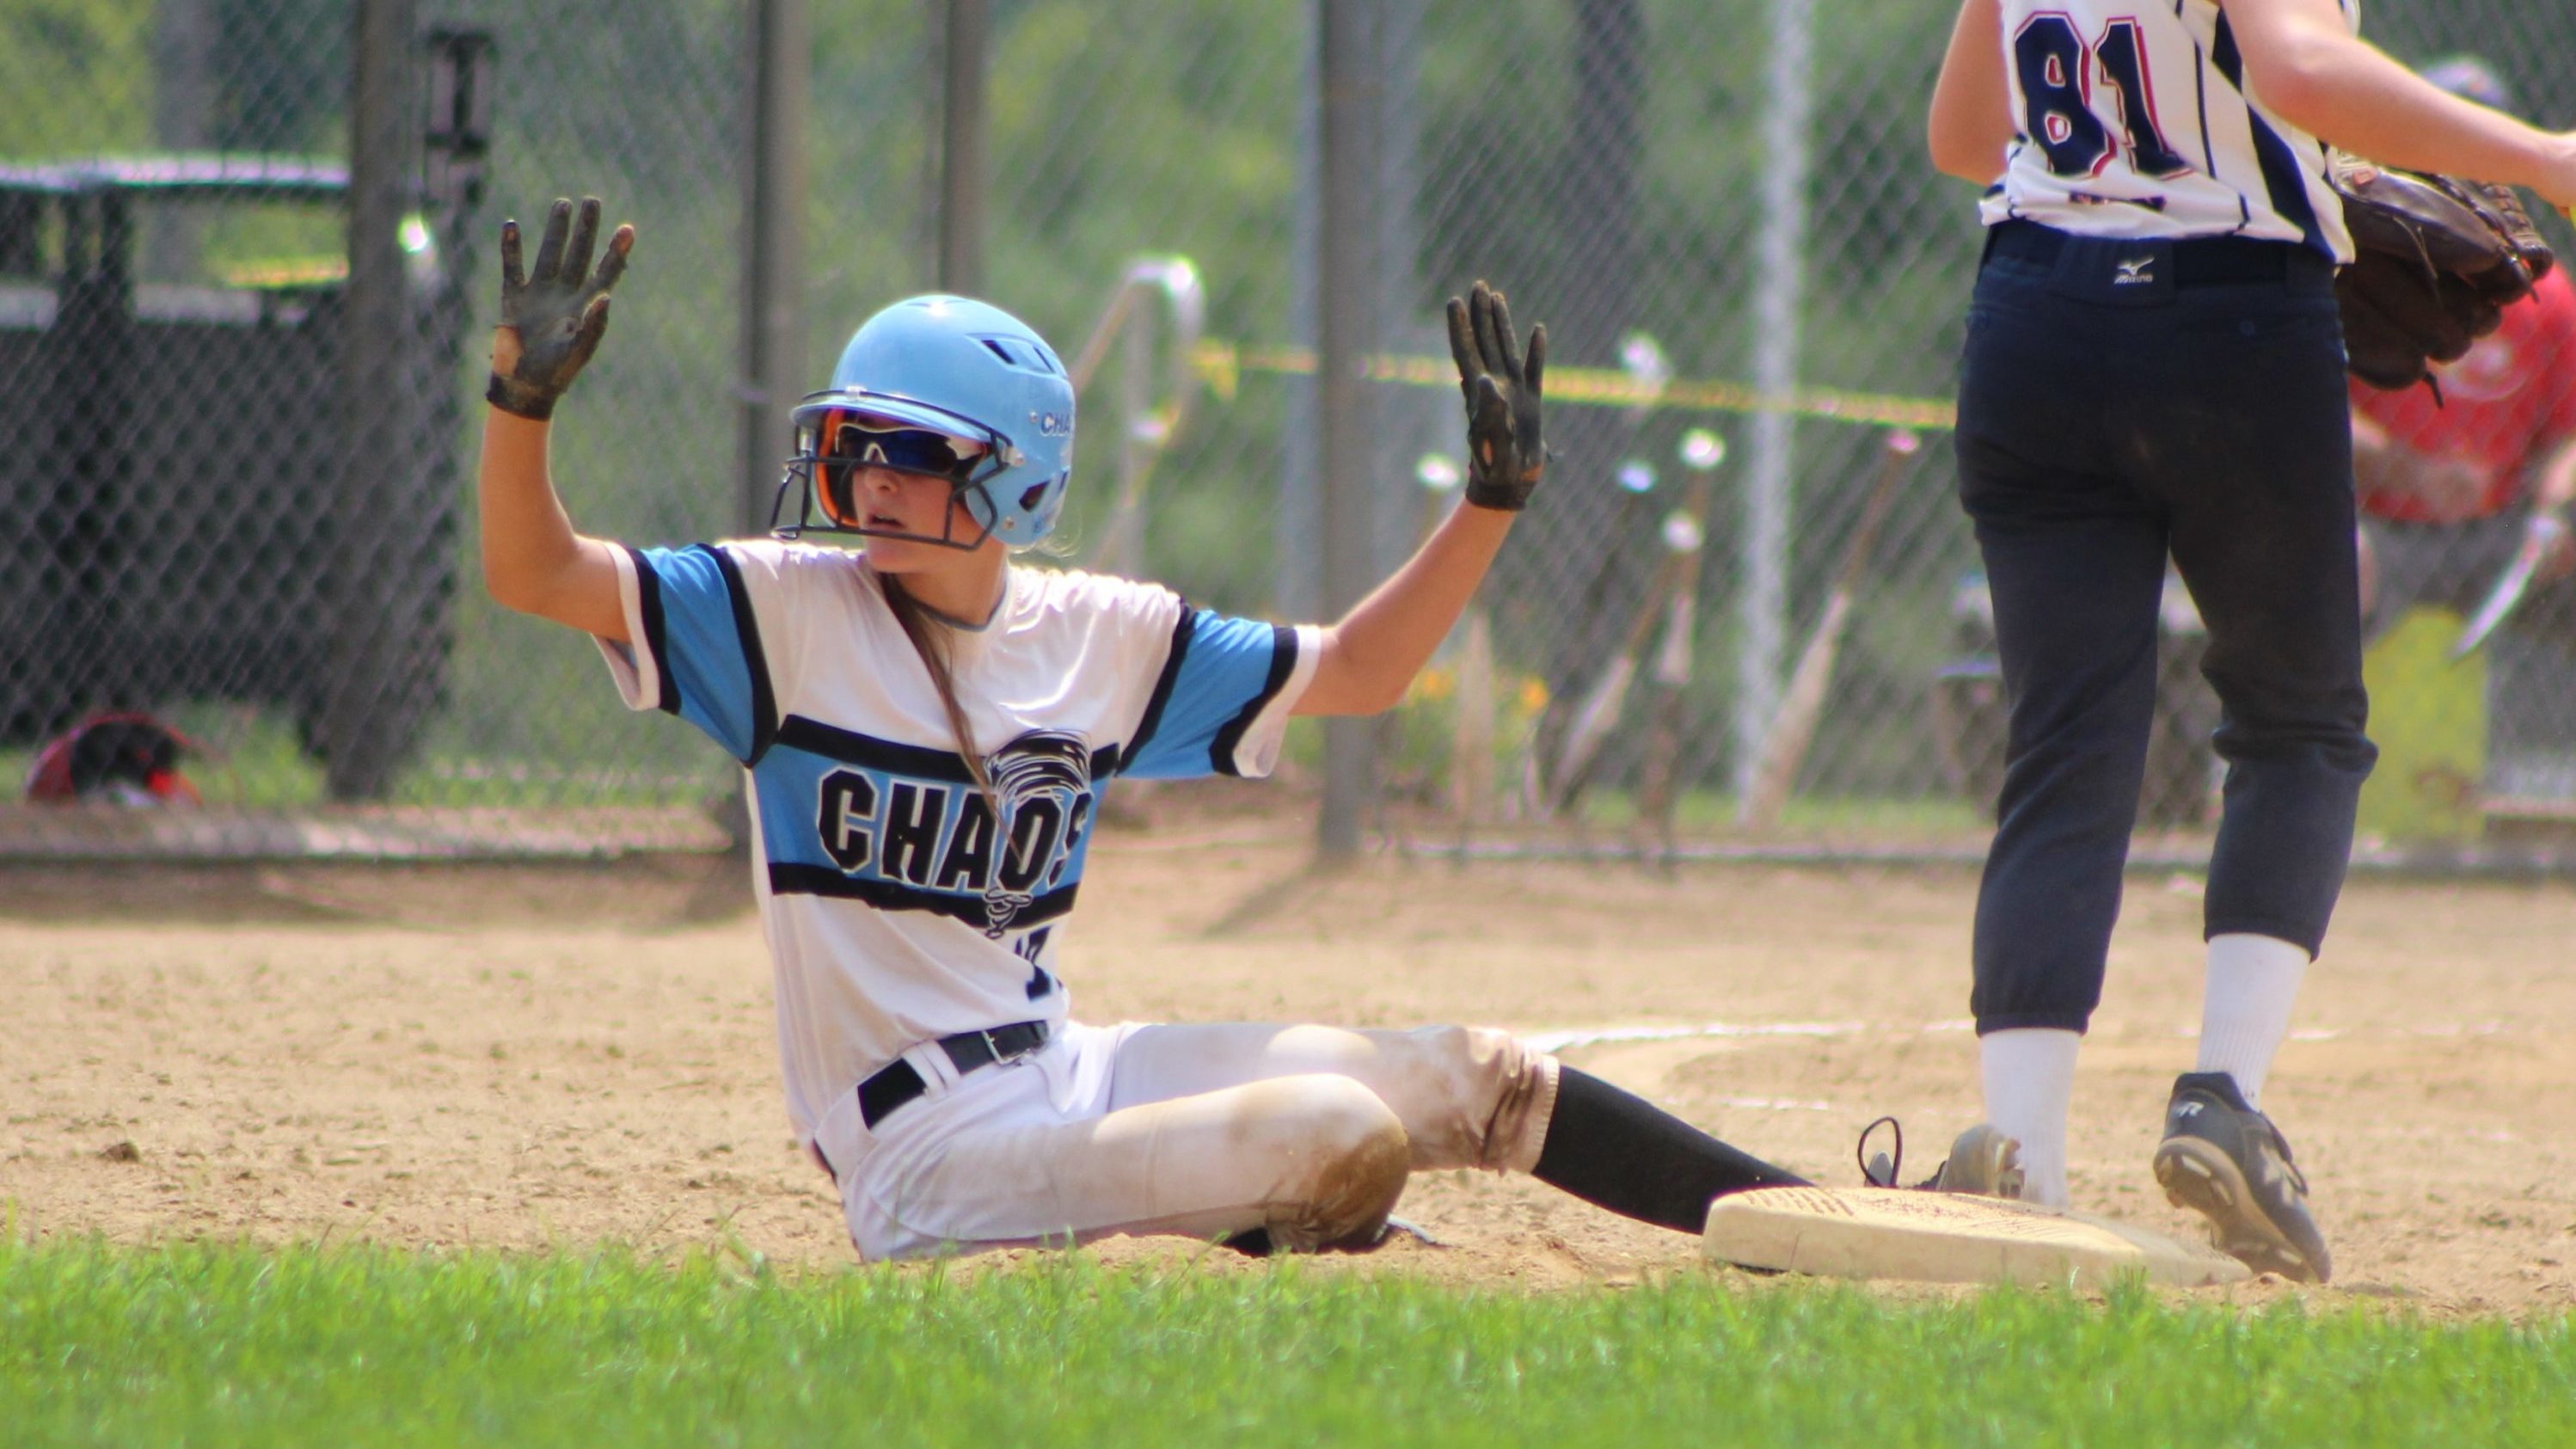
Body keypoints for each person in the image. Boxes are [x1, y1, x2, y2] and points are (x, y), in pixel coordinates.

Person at [475, 198, 2006, 1261]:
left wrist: (1487, 511)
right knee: (1335, 1133)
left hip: (1065, 1072)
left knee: (1474, 1074)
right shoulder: (780, 614)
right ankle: (1267, 1234)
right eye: (849, 449)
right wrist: (521, 411)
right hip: (923, 1157)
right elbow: (535, 572)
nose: (865, 484)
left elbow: (1354, 673)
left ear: (1016, 484)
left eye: (908, 455)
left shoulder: (1098, 635)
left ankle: (1832, 1218)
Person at [1926, 1, 2576, 1283]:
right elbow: (2298, 65)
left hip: (2031, 320)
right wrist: (2542, 158)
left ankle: (2021, 1152)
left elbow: (1962, 137)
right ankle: (2221, 1097)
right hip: (2226, 316)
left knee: (2063, 749)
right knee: (2296, 724)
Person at [2352, 61, 2576, 659]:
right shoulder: (2363, 268)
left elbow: (2569, 434)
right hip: (2380, 525)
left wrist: (2555, 511)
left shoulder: (2546, 292)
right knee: (2341, 566)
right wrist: (2409, 470)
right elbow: (2313, 410)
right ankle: (2283, 745)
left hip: (2501, 532)